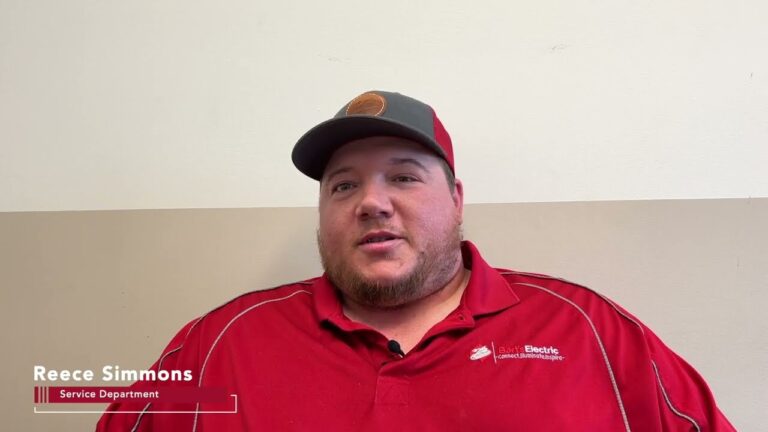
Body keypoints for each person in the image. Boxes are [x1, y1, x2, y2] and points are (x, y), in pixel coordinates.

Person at [96, 91, 736, 431]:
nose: (371, 202)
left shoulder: (588, 331)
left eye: (403, 177)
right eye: (343, 186)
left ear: (456, 200)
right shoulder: (220, 345)